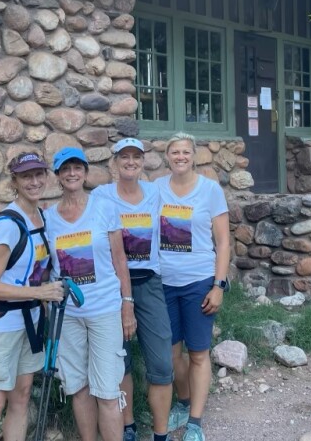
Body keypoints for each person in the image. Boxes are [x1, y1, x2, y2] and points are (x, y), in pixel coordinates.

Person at [0, 151, 65, 441]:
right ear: (15, 181)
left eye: (38, 174)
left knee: (21, 398)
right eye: (26, 176)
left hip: (29, 324)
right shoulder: (7, 225)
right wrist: (40, 292)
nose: (34, 181)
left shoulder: (40, 217)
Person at [45, 147, 136, 441]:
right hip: (68, 315)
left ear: (85, 172)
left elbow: (120, 259)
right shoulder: (48, 218)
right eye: (65, 169)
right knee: (78, 388)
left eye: (77, 167)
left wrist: (127, 304)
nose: (72, 173)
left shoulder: (104, 208)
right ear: (58, 176)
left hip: (105, 310)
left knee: (108, 391)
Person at [93, 138, 173, 441]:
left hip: (149, 281)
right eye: (124, 157)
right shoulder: (101, 196)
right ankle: (127, 427)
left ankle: (161, 433)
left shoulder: (155, 192)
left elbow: (183, 207)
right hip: (113, 285)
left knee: (162, 360)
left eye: (136, 157)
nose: (130, 162)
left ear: (143, 161)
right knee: (120, 358)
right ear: (114, 163)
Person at [158, 133, 230, 441]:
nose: (180, 156)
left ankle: (195, 423)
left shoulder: (210, 190)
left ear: (194, 155)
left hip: (199, 282)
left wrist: (219, 285)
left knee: (198, 353)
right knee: (172, 354)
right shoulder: (156, 188)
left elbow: (224, 241)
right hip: (163, 283)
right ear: (167, 157)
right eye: (175, 152)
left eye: (186, 151)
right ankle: (184, 403)